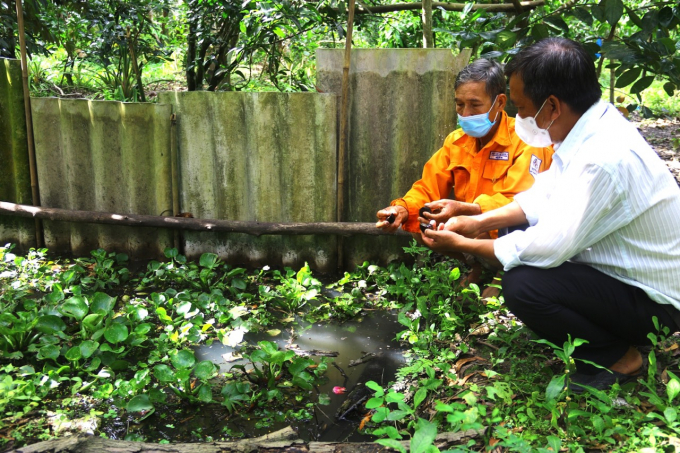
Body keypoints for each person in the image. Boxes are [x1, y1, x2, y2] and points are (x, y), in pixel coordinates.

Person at [421, 37, 680, 391]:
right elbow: (542, 196)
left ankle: (619, 357)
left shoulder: (602, 158)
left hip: (655, 303)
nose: (519, 117)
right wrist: (476, 219)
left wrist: (464, 241)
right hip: (625, 276)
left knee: (523, 285)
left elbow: (550, 246)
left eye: (523, 107)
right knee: (513, 232)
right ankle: (603, 332)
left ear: (552, 106)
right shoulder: (589, 126)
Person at [375, 59, 553, 245]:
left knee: (489, 229)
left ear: (500, 102)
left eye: (475, 105)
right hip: (471, 228)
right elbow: (428, 188)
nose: (465, 114)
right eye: (459, 104)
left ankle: (495, 270)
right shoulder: (456, 141)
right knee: (421, 226)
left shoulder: (528, 142)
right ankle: (474, 265)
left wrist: (467, 210)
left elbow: (521, 205)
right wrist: (402, 209)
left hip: (512, 231)